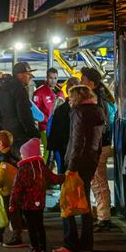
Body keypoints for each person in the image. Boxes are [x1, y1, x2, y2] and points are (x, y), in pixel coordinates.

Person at [52, 85, 106, 252]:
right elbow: (98, 141)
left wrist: (71, 167)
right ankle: (86, 244)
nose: (69, 99)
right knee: (85, 205)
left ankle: (71, 243)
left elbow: (77, 141)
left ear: (77, 97)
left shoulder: (78, 113)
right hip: (90, 161)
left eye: (71, 96)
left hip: (78, 163)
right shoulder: (98, 111)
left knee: (67, 202)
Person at [9, 138, 65, 252]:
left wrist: (12, 204)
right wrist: (65, 177)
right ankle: (43, 249)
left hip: (27, 204)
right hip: (40, 203)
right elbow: (54, 178)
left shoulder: (23, 169)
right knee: (39, 225)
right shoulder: (41, 167)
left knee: (31, 227)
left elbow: (16, 188)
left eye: (23, 154)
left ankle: (35, 250)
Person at [80, 67, 116, 232]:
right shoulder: (102, 98)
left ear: (91, 83)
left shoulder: (97, 101)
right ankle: (103, 214)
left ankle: (104, 217)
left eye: (83, 80)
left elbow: (99, 126)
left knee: (98, 181)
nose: (81, 83)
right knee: (98, 181)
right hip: (102, 144)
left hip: (99, 145)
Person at [46, 76, 80, 212]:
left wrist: (53, 148)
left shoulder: (61, 109)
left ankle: (65, 201)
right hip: (74, 148)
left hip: (63, 148)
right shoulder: (82, 109)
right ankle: (76, 201)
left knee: (64, 174)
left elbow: (54, 131)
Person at [0, 62, 40, 154]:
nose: (30, 76)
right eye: (28, 74)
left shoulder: (2, 89)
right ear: (20, 75)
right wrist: (33, 133)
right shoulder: (19, 89)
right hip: (20, 135)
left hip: (7, 133)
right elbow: (24, 114)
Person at [33, 68, 64, 161]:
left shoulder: (60, 92)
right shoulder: (39, 92)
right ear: (46, 78)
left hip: (58, 127)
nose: (53, 80)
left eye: (55, 78)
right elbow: (35, 111)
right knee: (48, 151)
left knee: (57, 152)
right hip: (45, 127)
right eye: (51, 78)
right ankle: (43, 172)